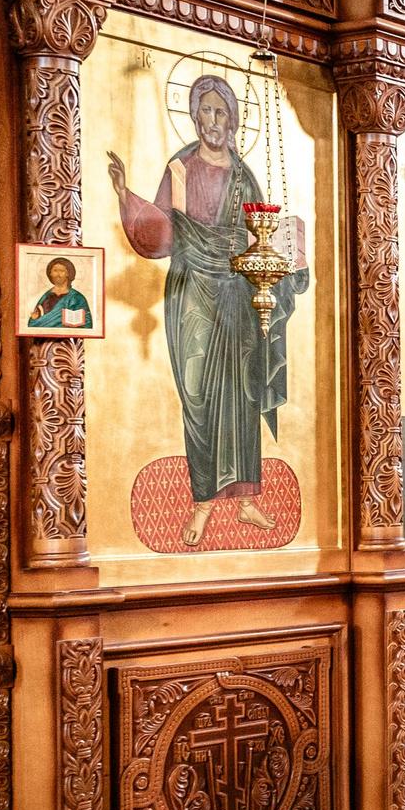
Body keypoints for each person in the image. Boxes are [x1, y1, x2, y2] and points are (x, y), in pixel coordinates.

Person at [108, 74, 308, 549]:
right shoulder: (179, 168)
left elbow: (264, 235)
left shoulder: (245, 176)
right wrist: (125, 195)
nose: (213, 121)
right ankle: (201, 503)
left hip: (238, 290)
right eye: (206, 111)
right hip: (191, 290)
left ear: (233, 120)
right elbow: (160, 231)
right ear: (194, 116)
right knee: (197, 394)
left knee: (242, 391)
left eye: (221, 112)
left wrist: (291, 250)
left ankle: (246, 499)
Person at [25, 256, 93, 331]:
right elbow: (34, 323)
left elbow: (87, 324)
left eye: (61, 271)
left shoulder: (77, 297)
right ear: (50, 274)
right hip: (44, 339)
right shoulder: (46, 296)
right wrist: (34, 319)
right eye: (55, 271)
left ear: (68, 274)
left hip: (68, 340)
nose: (58, 274)